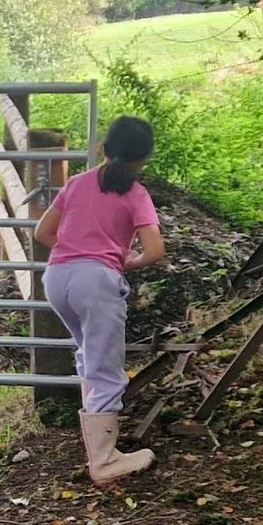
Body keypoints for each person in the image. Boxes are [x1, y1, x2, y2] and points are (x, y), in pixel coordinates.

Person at [33, 115, 164, 485]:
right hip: (96, 281)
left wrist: (77, 250)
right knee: (106, 367)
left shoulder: (76, 183)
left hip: (57, 278)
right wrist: (128, 260)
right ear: (144, 158)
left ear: (103, 149)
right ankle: (104, 461)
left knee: (87, 352)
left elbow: (44, 232)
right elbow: (154, 249)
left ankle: (96, 448)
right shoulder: (136, 194)